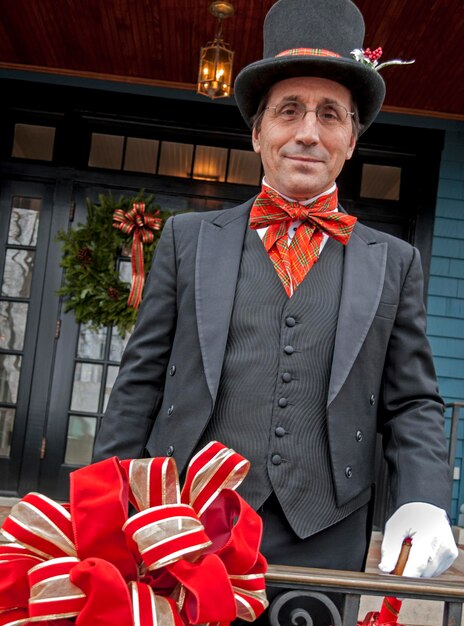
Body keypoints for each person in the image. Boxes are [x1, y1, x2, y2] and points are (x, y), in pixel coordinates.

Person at [93, 0, 458, 616]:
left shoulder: (394, 262)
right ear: (258, 131)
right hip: (185, 523)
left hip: (326, 529)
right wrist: (100, 513)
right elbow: (140, 382)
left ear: (351, 139)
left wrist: (423, 502)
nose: (308, 132)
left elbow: (413, 402)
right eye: (289, 110)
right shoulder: (186, 241)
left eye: (330, 114)